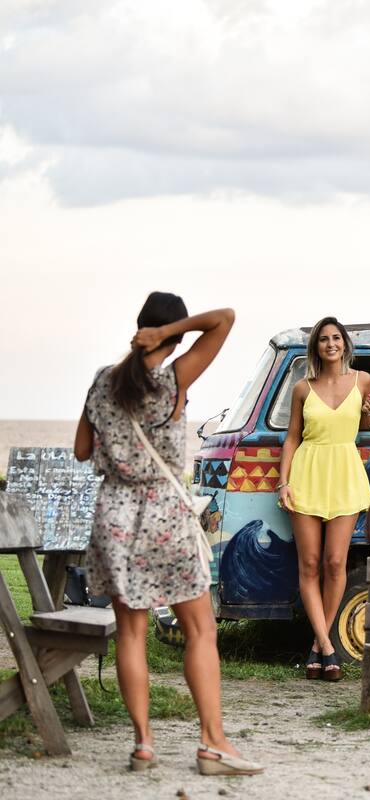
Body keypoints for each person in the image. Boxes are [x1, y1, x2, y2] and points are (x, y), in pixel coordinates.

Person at [74, 292, 262, 776]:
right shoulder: (172, 378)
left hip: (114, 513)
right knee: (200, 628)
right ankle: (213, 743)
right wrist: (166, 338)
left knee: (131, 634)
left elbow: (80, 449)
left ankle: (143, 745)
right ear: (176, 334)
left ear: (140, 325)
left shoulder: (103, 381)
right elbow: (225, 318)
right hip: (163, 511)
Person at [277, 317, 370, 681]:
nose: (330, 344)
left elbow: (363, 429)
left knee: (336, 563)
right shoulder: (303, 388)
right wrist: (282, 482)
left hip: (345, 472)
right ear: (316, 347)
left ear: (345, 344)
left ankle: (319, 646)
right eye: (323, 339)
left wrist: (368, 414)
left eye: (336, 338)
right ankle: (327, 646)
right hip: (307, 473)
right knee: (310, 564)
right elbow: (292, 438)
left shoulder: (362, 380)